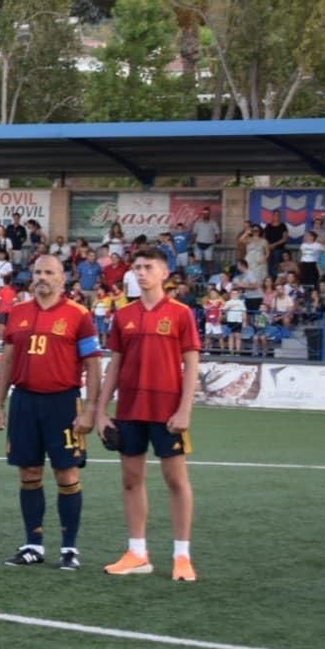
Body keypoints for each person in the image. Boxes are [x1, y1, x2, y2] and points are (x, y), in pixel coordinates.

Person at [94, 247, 201, 581]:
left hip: (167, 411)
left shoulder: (182, 314)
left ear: (164, 273)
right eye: (137, 268)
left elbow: (192, 364)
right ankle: (137, 552)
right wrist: (100, 411)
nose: (140, 273)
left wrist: (185, 409)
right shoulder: (124, 316)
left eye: (147, 267)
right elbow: (115, 365)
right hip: (130, 409)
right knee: (131, 480)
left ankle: (182, 556)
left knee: (176, 480)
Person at [0, 254, 102, 571]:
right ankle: (33, 544)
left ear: (62, 279)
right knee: (29, 474)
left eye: (49, 272)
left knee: (67, 473)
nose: (42, 277)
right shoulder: (18, 313)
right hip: (24, 402)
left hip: (63, 402)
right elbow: (8, 362)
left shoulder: (78, 315)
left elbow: (93, 365)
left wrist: (91, 409)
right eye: (37, 272)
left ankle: (69, 549)